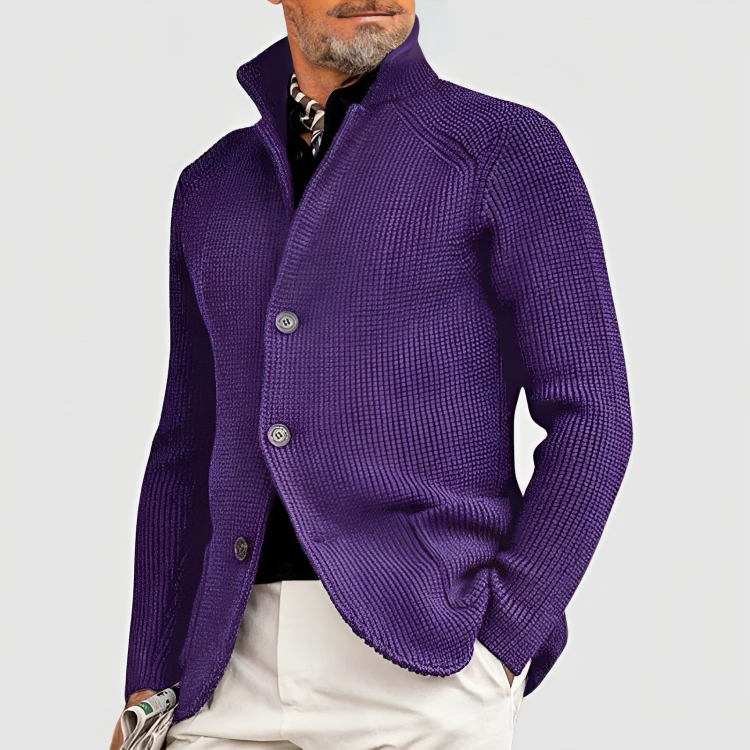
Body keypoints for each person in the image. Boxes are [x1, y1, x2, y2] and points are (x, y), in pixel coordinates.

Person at [110, 1, 633, 748]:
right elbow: (186, 446)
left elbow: (593, 412)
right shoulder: (213, 187)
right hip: (226, 669)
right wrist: (147, 681)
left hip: (425, 668)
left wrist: (504, 642)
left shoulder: (501, 149)